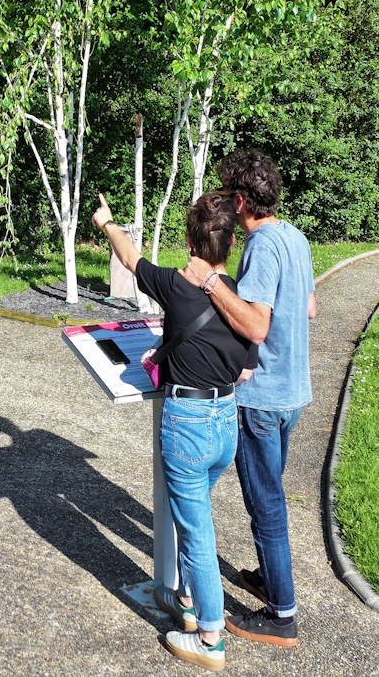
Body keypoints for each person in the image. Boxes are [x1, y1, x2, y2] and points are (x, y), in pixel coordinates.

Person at [92, 190, 258, 673]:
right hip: (225, 422)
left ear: (190, 240)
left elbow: (130, 256)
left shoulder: (174, 286)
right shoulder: (244, 301)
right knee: (194, 517)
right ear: (230, 246)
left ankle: (209, 636)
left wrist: (107, 222)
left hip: (187, 424)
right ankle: (187, 596)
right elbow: (245, 372)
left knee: (197, 529)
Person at [203, 149, 315, 648]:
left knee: (265, 504)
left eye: (230, 196)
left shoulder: (262, 246)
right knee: (270, 493)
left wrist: (210, 283)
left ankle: (281, 615)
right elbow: (308, 308)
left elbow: (254, 322)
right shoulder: (295, 236)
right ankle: (273, 578)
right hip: (293, 392)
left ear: (243, 200)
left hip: (262, 399)